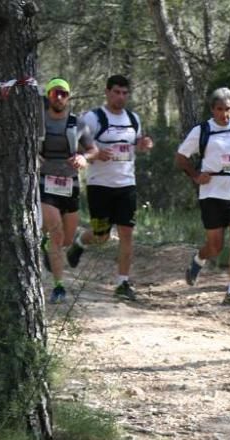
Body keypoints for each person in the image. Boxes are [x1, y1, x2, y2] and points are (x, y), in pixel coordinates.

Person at [174, 87, 230, 306]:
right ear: (212, 109)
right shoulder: (202, 130)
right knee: (215, 246)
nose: (224, 114)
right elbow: (180, 158)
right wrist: (196, 175)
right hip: (212, 192)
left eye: (228, 109)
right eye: (219, 109)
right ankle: (199, 259)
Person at [67, 74, 154, 301]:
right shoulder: (93, 118)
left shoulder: (133, 118)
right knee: (101, 236)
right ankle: (79, 242)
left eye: (125, 93)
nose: (121, 97)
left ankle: (122, 283)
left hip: (126, 185)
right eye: (116, 92)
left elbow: (133, 144)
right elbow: (77, 145)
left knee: (127, 233)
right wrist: (94, 155)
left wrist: (143, 145)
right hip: (99, 186)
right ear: (107, 92)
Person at [39, 78, 98, 304]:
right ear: (48, 96)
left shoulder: (78, 123)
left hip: (70, 184)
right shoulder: (39, 121)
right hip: (45, 182)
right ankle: (59, 287)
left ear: (69, 97)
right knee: (55, 232)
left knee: (65, 240)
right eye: (55, 94)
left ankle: (47, 247)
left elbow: (93, 149)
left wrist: (84, 157)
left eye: (64, 94)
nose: (60, 98)